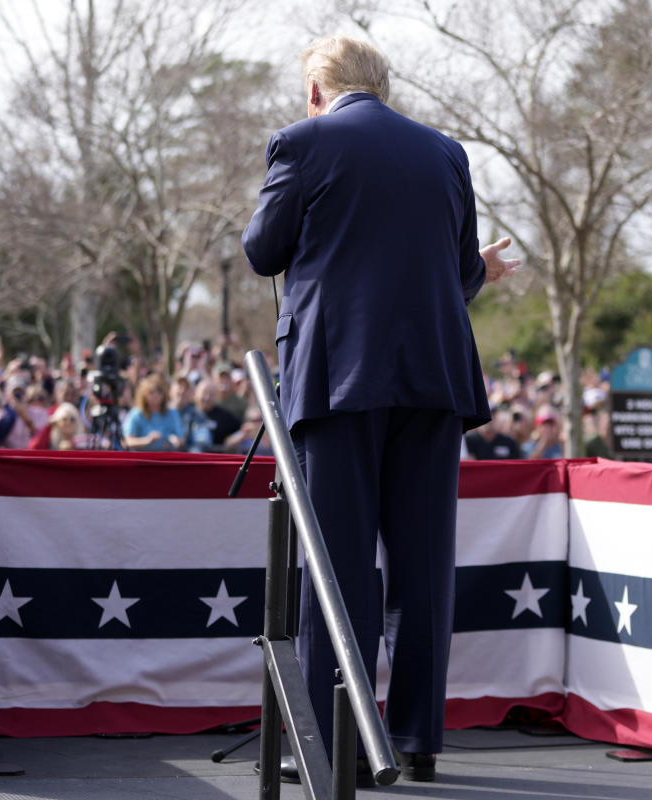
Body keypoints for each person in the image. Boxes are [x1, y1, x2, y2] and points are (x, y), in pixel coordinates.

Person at [242, 35, 517, 783]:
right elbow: (460, 274)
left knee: (337, 566)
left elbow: (263, 251)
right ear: (382, 86)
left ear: (316, 89)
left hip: (338, 379)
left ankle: (337, 741)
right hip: (432, 380)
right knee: (423, 563)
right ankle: (419, 736)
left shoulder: (301, 142)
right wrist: (483, 270)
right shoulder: (445, 152)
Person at [123, 374, 184, 451]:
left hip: (166, 458)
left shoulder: (173, 413)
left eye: (159, 391)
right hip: (142, 459)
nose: (156, 395)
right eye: (151, 392)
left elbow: (181, 439)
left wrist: (174, 440)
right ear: (144, 394)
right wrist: (147, 440)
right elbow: (128, 441)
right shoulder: (136, 414)